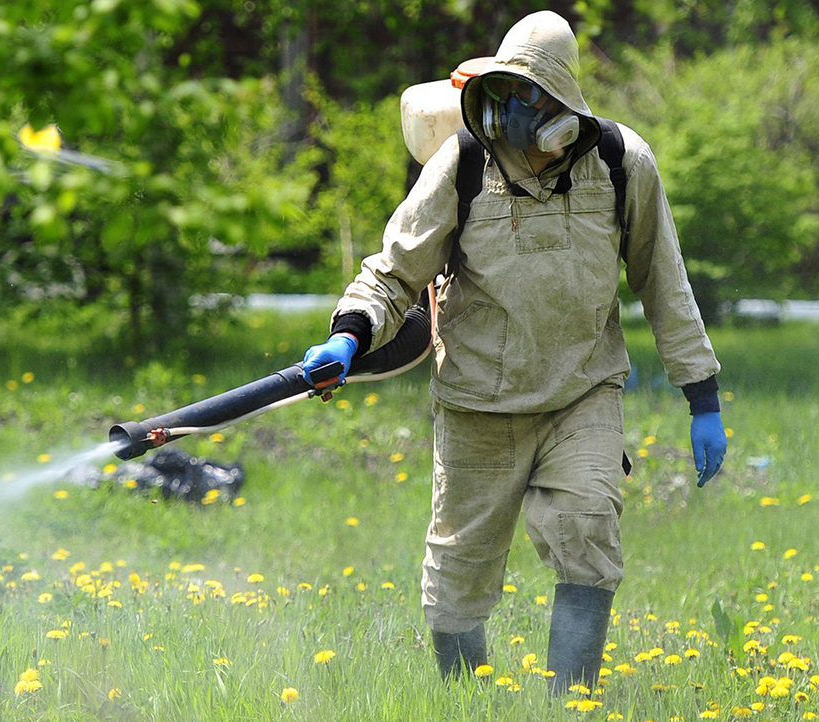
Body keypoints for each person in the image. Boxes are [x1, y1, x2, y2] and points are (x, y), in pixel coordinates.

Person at [300, 11, 727, 694]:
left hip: (582, 391)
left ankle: (571, 701)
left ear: (563, 102)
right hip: (477, 400)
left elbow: (663, 281)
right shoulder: (464, 161)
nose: (514, 111)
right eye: (504, 93)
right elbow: (394, 269)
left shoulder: (622, 162)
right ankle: (467, 702)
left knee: (587, 530)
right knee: (458, 576)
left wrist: (700, 395)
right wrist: (348, 335)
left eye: (530, 95)